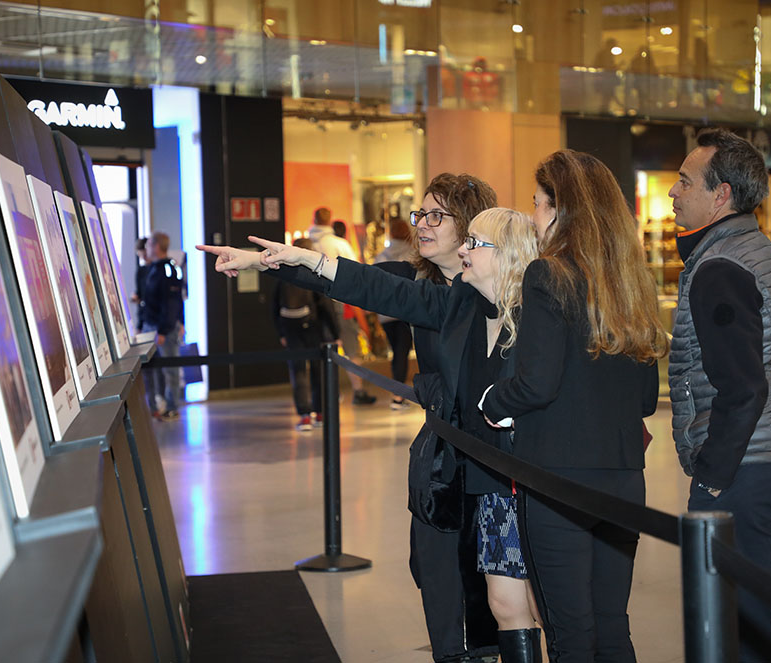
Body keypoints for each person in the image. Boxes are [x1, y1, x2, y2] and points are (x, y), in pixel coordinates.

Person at [202, 206, 544, 663]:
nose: (429, 228)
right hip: (479, 478)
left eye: (468, 238)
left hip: (534, 486)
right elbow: (374, 287)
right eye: (420, 212)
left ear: (507, 252)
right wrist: (296, 259)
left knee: (545, 606)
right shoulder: (459, 300)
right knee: (501, 603)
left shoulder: (543, 315)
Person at [480, 150, 669, 662]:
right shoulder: (633, 281)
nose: (535, 217)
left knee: (570, 632)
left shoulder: (548, 274)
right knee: (612, 625)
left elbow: (536, 384)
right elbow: (648, 398)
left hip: (558, 481)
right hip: (625, 477)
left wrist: (492, 399)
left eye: (540, 205)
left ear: (564, 212)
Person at [666, 129, 771, 663]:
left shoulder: (719, 268)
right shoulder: (752, 250)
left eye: (685, 181)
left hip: (747, 465)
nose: (673, 192)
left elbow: (744, 386)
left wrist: (711, 474)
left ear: (721, 194)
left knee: (737, 621)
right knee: (747, 613)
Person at [308, 207, 377, 405]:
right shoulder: (339, 244)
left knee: (321, 350)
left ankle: (323, 394)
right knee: (351, 349)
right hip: (339, 304)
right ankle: (358, 390)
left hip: (314, 306)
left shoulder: (308, 244)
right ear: (329, 221)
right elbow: (356, 274)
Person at [272, 237, 340, 432]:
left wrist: (281, 332)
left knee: (298, 371)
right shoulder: (313, 273)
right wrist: (335, 333)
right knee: (318, 370)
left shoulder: (283, 272)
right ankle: (319, 413)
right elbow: (326, 305)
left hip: (289, 327)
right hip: (313, 326)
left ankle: (304, 416)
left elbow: (274, 306)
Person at [373, 216, 416, 410]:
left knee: (395, 352)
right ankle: (399, 395)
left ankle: (397, 393)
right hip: (407, 311)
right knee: (402, 352)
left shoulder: (382, 256)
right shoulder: (415, 254)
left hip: (386, 312)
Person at [143, 231, 184, 419]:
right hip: (150, 326)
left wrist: (164, 329)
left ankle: (172, 405)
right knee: (151, 370)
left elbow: (173, 302)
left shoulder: (169, 269)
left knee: (170, 369)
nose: (146, 248)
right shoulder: (152, 269)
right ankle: (154, 405)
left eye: (149, 244)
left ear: (157, 247)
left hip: (163, 329)